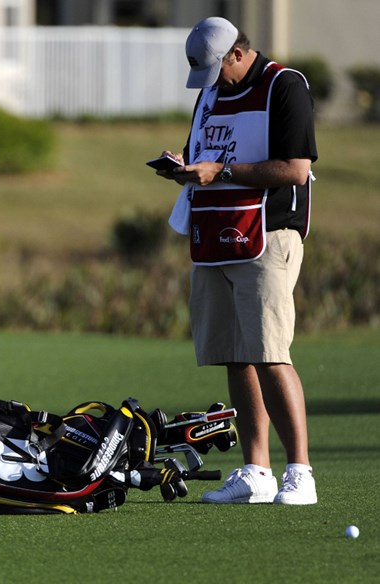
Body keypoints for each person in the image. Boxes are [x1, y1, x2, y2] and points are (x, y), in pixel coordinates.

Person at [155, 17, 318, 505]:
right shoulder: (210, 92)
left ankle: (300, 472)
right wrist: (183, 166)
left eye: (215, 71)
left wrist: (220, 169)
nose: (211, 85)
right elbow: (200, 153)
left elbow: (295, 168)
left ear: (237, 54)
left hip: (267, 235)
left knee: (270, 353)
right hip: (214, 237)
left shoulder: (284, 86)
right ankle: (256, 471)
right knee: (233, 354)